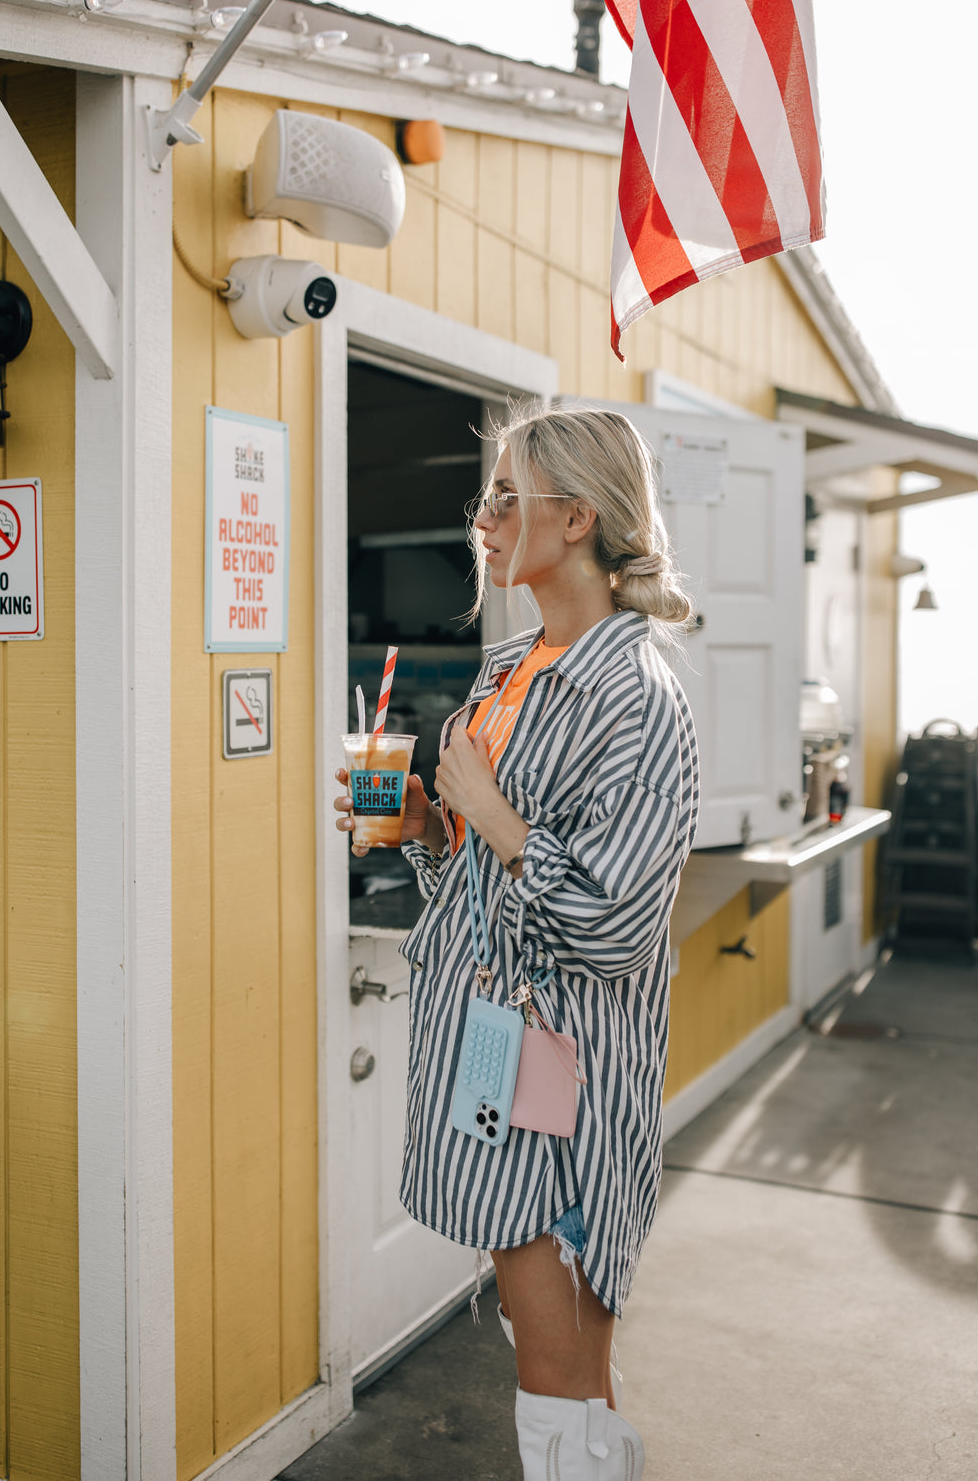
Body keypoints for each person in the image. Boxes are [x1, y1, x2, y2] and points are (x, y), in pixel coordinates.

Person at [334, 406, 699, 1481]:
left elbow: (618, 926)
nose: (481, 517)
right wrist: (426, 830)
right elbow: (480, 887)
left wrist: (492, 818)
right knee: (549, 1334)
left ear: (576, 516)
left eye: (505, 494)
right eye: (485, 496)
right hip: (490, 1036)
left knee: (555, 1343)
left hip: (564, 1061)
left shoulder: (637, 698)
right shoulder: (507, 672)